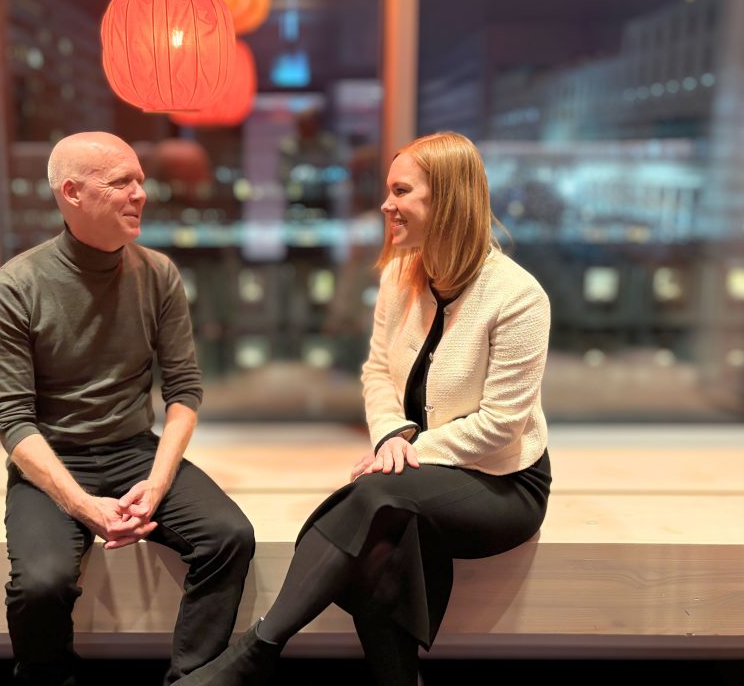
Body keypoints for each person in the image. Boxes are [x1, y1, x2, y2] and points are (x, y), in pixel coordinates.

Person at [174, 131, 552, 686]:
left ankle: (258, 649)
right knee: (381, 537)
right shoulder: (400, 275)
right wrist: (391, 436)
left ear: (447, 199)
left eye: (401, 191)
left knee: (376, 496)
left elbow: (502, 425)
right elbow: (376, 371)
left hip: (501, 482)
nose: (385, 205)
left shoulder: (518, 296)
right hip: (416, 473)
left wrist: (405, 451)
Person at [0, 132, 255, 686]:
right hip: (52, 461)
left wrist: (157, 483)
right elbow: (12, 421)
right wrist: (85, 506)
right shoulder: (16, 285)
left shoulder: (158, 274)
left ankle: (191, 679)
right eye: (121, 182)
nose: (141, 194)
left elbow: (184, 392)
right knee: (40, 584)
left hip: (135, 451)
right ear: (72, 193)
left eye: (141, 180)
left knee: (229, 536)